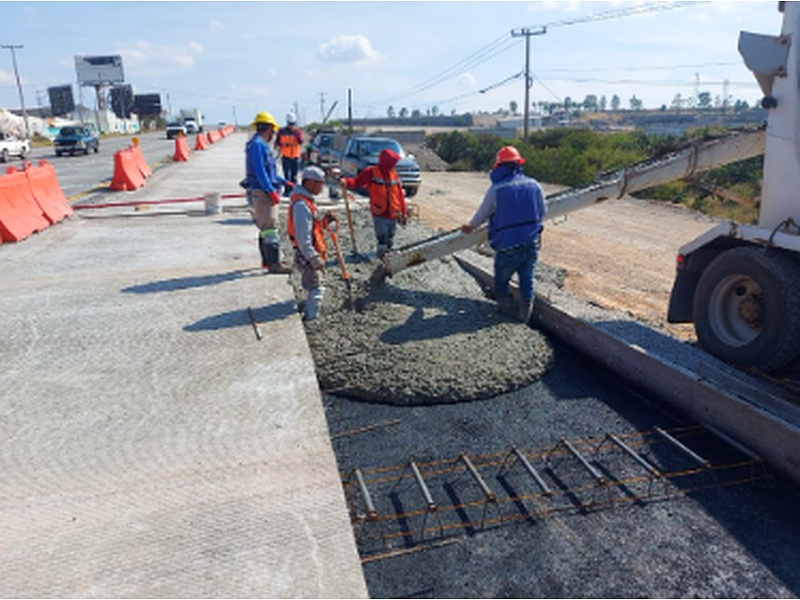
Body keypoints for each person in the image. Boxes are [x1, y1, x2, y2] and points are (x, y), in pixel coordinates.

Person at [461, 145, 546, 323]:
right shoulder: (534, 185)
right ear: (518, 165)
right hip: (531, 243)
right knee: (527, 279)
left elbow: (480, 217)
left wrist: (469, 226)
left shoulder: (497, 189)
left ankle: (505, 312)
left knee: (501, 280)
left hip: (508, 245)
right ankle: (524, 317)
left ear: (499, 166)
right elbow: (542, 212)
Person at [245, 111, 292, 273]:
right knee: (270, 226)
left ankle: (267, 261)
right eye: (273, 130)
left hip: (264, 189)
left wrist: (283, 181)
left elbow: (269, 171)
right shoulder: (258, 145)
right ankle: (274, 264)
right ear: (269, 128)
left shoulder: (260, 144)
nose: (274, 134)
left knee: (265, 227)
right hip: (263, 192)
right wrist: (271, 190)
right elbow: (260, 171)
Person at [339, 148, 408, 258]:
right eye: (392, 162)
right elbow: (357, 181)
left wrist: (403, 212)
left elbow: (399, 196)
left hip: (393, 213)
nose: (394, 165)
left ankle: (388, 256)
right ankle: (381, 257)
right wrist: (346, 182)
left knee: (390, 237)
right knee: (382, 238)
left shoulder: (394, 175)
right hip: (380, 212)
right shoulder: (371, 172)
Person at [287, 166, 331, 321]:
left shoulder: (306, 201)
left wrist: (324, 221)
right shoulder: (301, 206)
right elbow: (302, 237)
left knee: (310, 282)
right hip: (306, 253)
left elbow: (313, 227)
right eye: (320, 183)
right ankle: (311, 317)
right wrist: (313, 257)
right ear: (310, 183)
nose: (322, 187)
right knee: (316, 286)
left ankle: (307, 306)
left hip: (308, 251)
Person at [275, 112, 304, 196]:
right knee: (287, 175)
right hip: (286, 156)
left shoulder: (297, 132)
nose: (291, 125)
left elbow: (301, 141)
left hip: (295, 156)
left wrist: (296, 134)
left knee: (294, 176)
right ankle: (287, 191)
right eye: (290, 124)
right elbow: (277, 143)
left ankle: (295, 191)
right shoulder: (281, 132)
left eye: (292, 124)